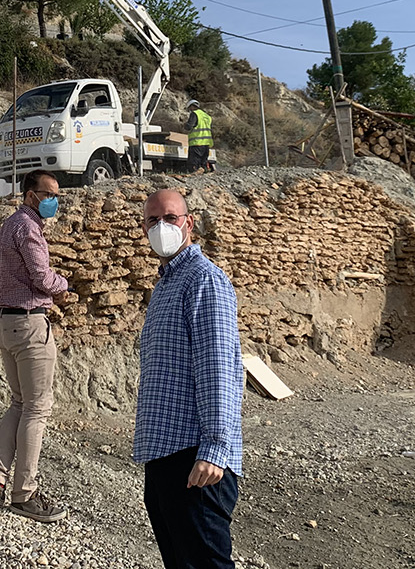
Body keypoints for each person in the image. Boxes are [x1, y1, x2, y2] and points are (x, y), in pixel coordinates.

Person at [135, 189, 243, 569]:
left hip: (196, 459)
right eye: (152, 220)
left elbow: (218, 368)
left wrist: (215, 447)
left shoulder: (203, 280)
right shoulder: (166, 284)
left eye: (170, 218)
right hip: (165, 454)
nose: (161, 227)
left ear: (188, 223)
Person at [0, 170, 70, 523]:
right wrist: (64, 284)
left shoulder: (9, 225)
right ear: (31, 195)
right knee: (36, 409)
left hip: (6, 322)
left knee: (18, 403)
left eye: (56, 194)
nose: (54, 201)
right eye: (48, 194)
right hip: (30, 324)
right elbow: (41, 277)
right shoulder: (29, 228)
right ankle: (24, 494)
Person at [185, 100, 213, 173]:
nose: (190, 110)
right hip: (206, 144)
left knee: (194, 164)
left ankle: (194, 176)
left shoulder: (194, 114)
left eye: (189, 108)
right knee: (203, 164)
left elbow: (189, 126)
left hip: (197, 143)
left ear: (191, 106)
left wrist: (185, 125)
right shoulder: (207, 116)